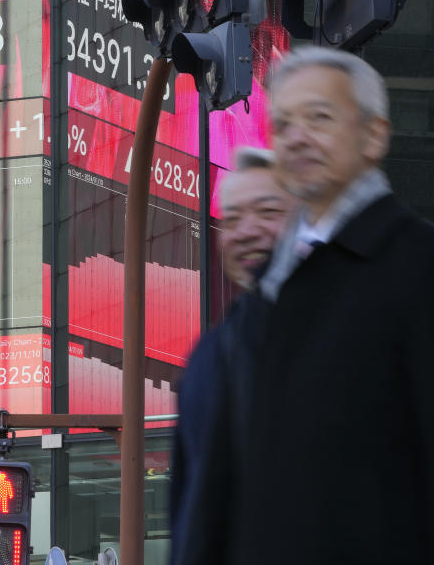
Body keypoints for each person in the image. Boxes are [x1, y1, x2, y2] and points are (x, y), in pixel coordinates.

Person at [230, 46, 434, 564]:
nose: (297, 137)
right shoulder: (267, 287)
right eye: (283, 125)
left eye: (320, 118)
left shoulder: (428, 263)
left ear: (374, 135)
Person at [170, 147, 294, 565]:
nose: (248, 230)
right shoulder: (206, 356)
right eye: (234, 218)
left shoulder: (345, 330)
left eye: (268, 211)